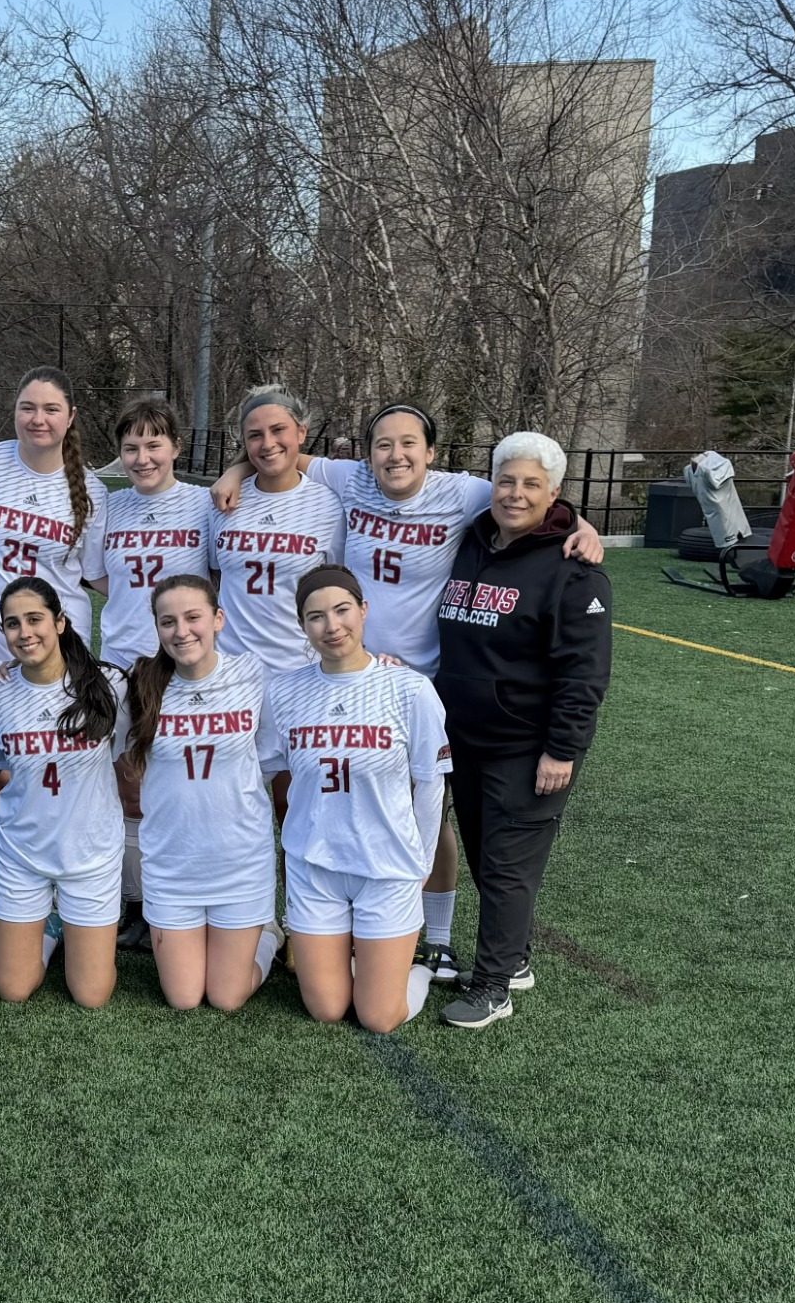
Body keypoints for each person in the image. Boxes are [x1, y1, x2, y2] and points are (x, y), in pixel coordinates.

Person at [212, 402, 603, 981]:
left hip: (421, 679)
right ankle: (317, 922)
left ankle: (437, 936)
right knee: (325, 798)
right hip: (345, 661)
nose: (395, 455)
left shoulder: (464, 492)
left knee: (427, 808)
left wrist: (580, 525)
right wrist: (234, 472)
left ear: (432, 452)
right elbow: (284, 454)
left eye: (408, 444)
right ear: (367, 455)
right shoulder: (353, 478)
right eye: (383, 445)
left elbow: (527, 499)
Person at [434, 431, 612, 1029]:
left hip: (528, 744)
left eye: (531, 484)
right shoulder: (471, 539)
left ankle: (492, 988)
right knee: (487, 858)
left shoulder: (572, 568)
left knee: (509, 866)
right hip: (466, 737)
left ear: (553, 493)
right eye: (506, 481)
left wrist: (561, 749)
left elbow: (584, 674)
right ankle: (513, 961)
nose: (515, 494)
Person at [260, 566, 449, 1032]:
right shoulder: (284, 691)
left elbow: (430, 784)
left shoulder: (408, 688)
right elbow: (258, 770)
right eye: (316, 617)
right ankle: (355, 960)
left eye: (342, 610)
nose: (332, 626)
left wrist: (420, 863)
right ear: (302, 626)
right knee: (327, 1008)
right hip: (314, 865)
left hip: (386, 867)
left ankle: (417, 969)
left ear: (364, 611)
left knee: (379, 1017)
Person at [121, 574, 283, 1011]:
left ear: (218, 619)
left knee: (227, 998)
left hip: (239, 860)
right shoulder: (140, 683)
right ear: (156, 628)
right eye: (167, 621)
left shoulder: (253, 674)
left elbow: (269, 752)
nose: (181, 631)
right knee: (185, 998)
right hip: (173, 865)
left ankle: (268, 935)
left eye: (193, 617)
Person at [90, 394, 216, 950]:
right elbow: (96, 578)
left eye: (153, 444)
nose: (142, 457)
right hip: (120, 664)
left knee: (185, 787)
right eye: (131, 446)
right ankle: (136, 904)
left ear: (176, 447)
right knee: (125, 787)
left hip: (182, 667)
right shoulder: (109, 507)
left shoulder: (204, 504)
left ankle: (186, 900)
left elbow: (217, 577)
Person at [0, 578, 127, 1008]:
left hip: (90, 853)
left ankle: (62, 924)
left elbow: (132, 753)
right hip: (21, 854)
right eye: (12, 624)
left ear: (60, 622)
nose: (25, 632)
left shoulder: (109, 685)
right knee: (14, 989)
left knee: (92, 995)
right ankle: (50, 928)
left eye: (35, 619)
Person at [0, 366, 108, 670]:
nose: (38, 419)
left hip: (57, 655)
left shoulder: (94, 492)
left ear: (71, 416)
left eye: (51, 409)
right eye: (28, 408)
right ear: (15, 411)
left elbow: (96, 573)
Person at [206, 387, 343, 675]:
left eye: (278, 429)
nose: (268, 443)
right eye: (255, 435)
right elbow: (216, 574)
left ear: (301, 433)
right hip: (230, 670)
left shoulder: (329, 505)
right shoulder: (224, 499)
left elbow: (341, 587)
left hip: (301, 670)